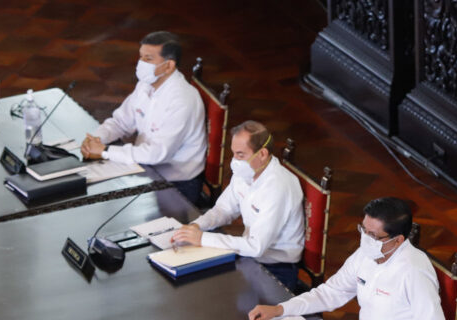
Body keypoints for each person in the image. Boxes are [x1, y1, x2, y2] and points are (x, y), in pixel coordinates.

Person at [248, 197, 451, 320]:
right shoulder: (367, 253)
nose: (365, 239)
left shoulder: (414, 272)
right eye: (363, 229)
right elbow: (331, 292)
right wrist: (280, 309)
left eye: (373, 236)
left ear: (398, 240)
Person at [170, 121, 304, 291]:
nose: (234, 161)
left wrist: (202, 238)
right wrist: (197, 226)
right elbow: (224, 209)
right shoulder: (246, 171)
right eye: (233, 153)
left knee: (211, 291)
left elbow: (256, 247)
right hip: (250, 257)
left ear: (262, 154)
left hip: (276, 269)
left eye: (240, 155)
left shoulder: (278, 187)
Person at [81, 31, 207, 203]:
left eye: (148, 59)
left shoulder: (182, 101)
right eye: (140, 57)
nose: (141, 63)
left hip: (177, 183)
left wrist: (105, 151)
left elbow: (156, 154)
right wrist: (96, 139)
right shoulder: (145, 84)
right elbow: (120, 121)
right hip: (146, 168)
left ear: (169, 66)